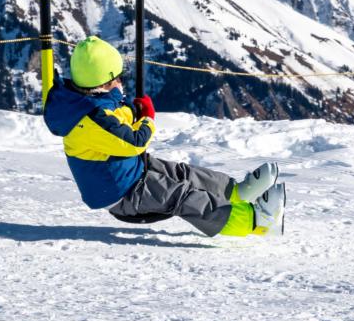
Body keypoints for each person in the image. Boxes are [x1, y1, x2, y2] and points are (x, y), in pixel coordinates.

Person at [43, 35, 286, 237]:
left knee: (183, 174)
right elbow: (133, 141)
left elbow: (114, 117)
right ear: (104, 82)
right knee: (181, 195)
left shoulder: (85, 104)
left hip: (129, 173)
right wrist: (147, 118)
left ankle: (236, 192)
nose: (120, 81)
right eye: (116, 78)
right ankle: (255, 222)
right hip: (123, 194)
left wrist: (132, 109)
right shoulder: (90, 119)